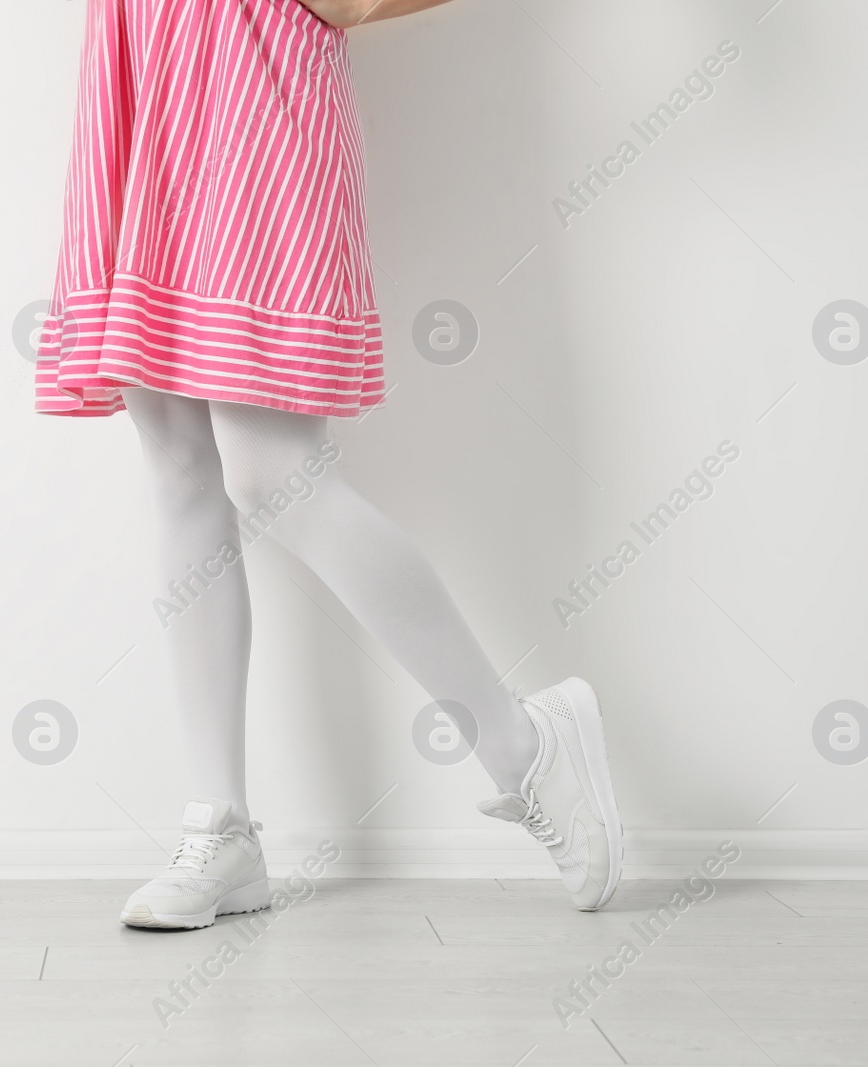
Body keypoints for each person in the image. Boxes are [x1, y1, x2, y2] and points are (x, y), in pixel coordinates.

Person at [35, 0, 623, 928]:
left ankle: (520, 740)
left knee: (275, 474)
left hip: (252, 75)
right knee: (180, 461)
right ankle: (220, 825)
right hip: (142, 58)